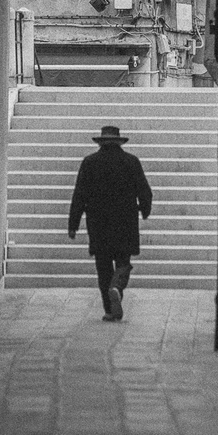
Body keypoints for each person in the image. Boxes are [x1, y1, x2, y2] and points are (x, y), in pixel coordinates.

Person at [68, 125, 153, 321]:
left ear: (101, 142)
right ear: (119, 142)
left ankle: (109, 309)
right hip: (125, 221)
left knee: (103, 267)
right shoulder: (131, 162)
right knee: (123, 261)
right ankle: (117, 287)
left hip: (98, 223)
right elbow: (144, 191)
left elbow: (79, 195)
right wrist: (145, 210)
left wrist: (73, 224)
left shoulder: (89, 163)